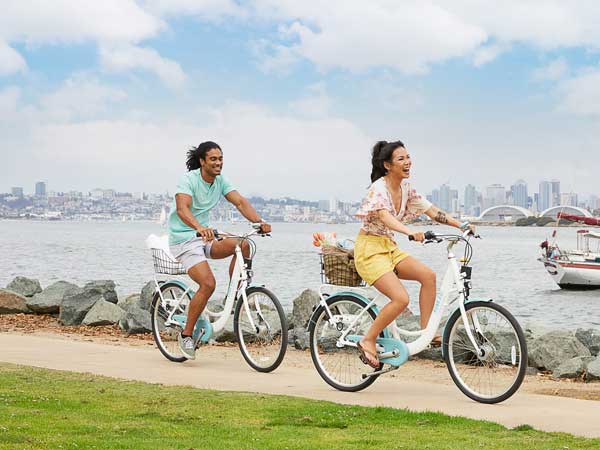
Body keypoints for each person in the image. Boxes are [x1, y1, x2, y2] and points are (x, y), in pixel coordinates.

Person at [354, 140, 475, 368]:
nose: (407, 162)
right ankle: (368, 339)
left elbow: (431, 211)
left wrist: (461, 225)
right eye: (401, 159)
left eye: (408, 157)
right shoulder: (378, 189)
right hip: (369, 251)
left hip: (388, 247)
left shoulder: (406, 189)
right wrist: (409, 232)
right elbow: (384, 216)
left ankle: (426, 332)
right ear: (387, 165)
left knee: (428, 276)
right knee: (400, 299)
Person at [168, 141, 271, 359]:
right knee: (207, 284)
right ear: (202, 161)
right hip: (184, 240)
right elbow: (182, 208)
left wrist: (259, 221)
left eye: (221, 159)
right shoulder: (188, 180)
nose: (218, 163)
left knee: (243, 243)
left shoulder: (220, 181)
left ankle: (235, 292)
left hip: (205, 236)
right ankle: (186, 335)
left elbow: (241, 203)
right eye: (213, 159)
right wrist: (198, 227)